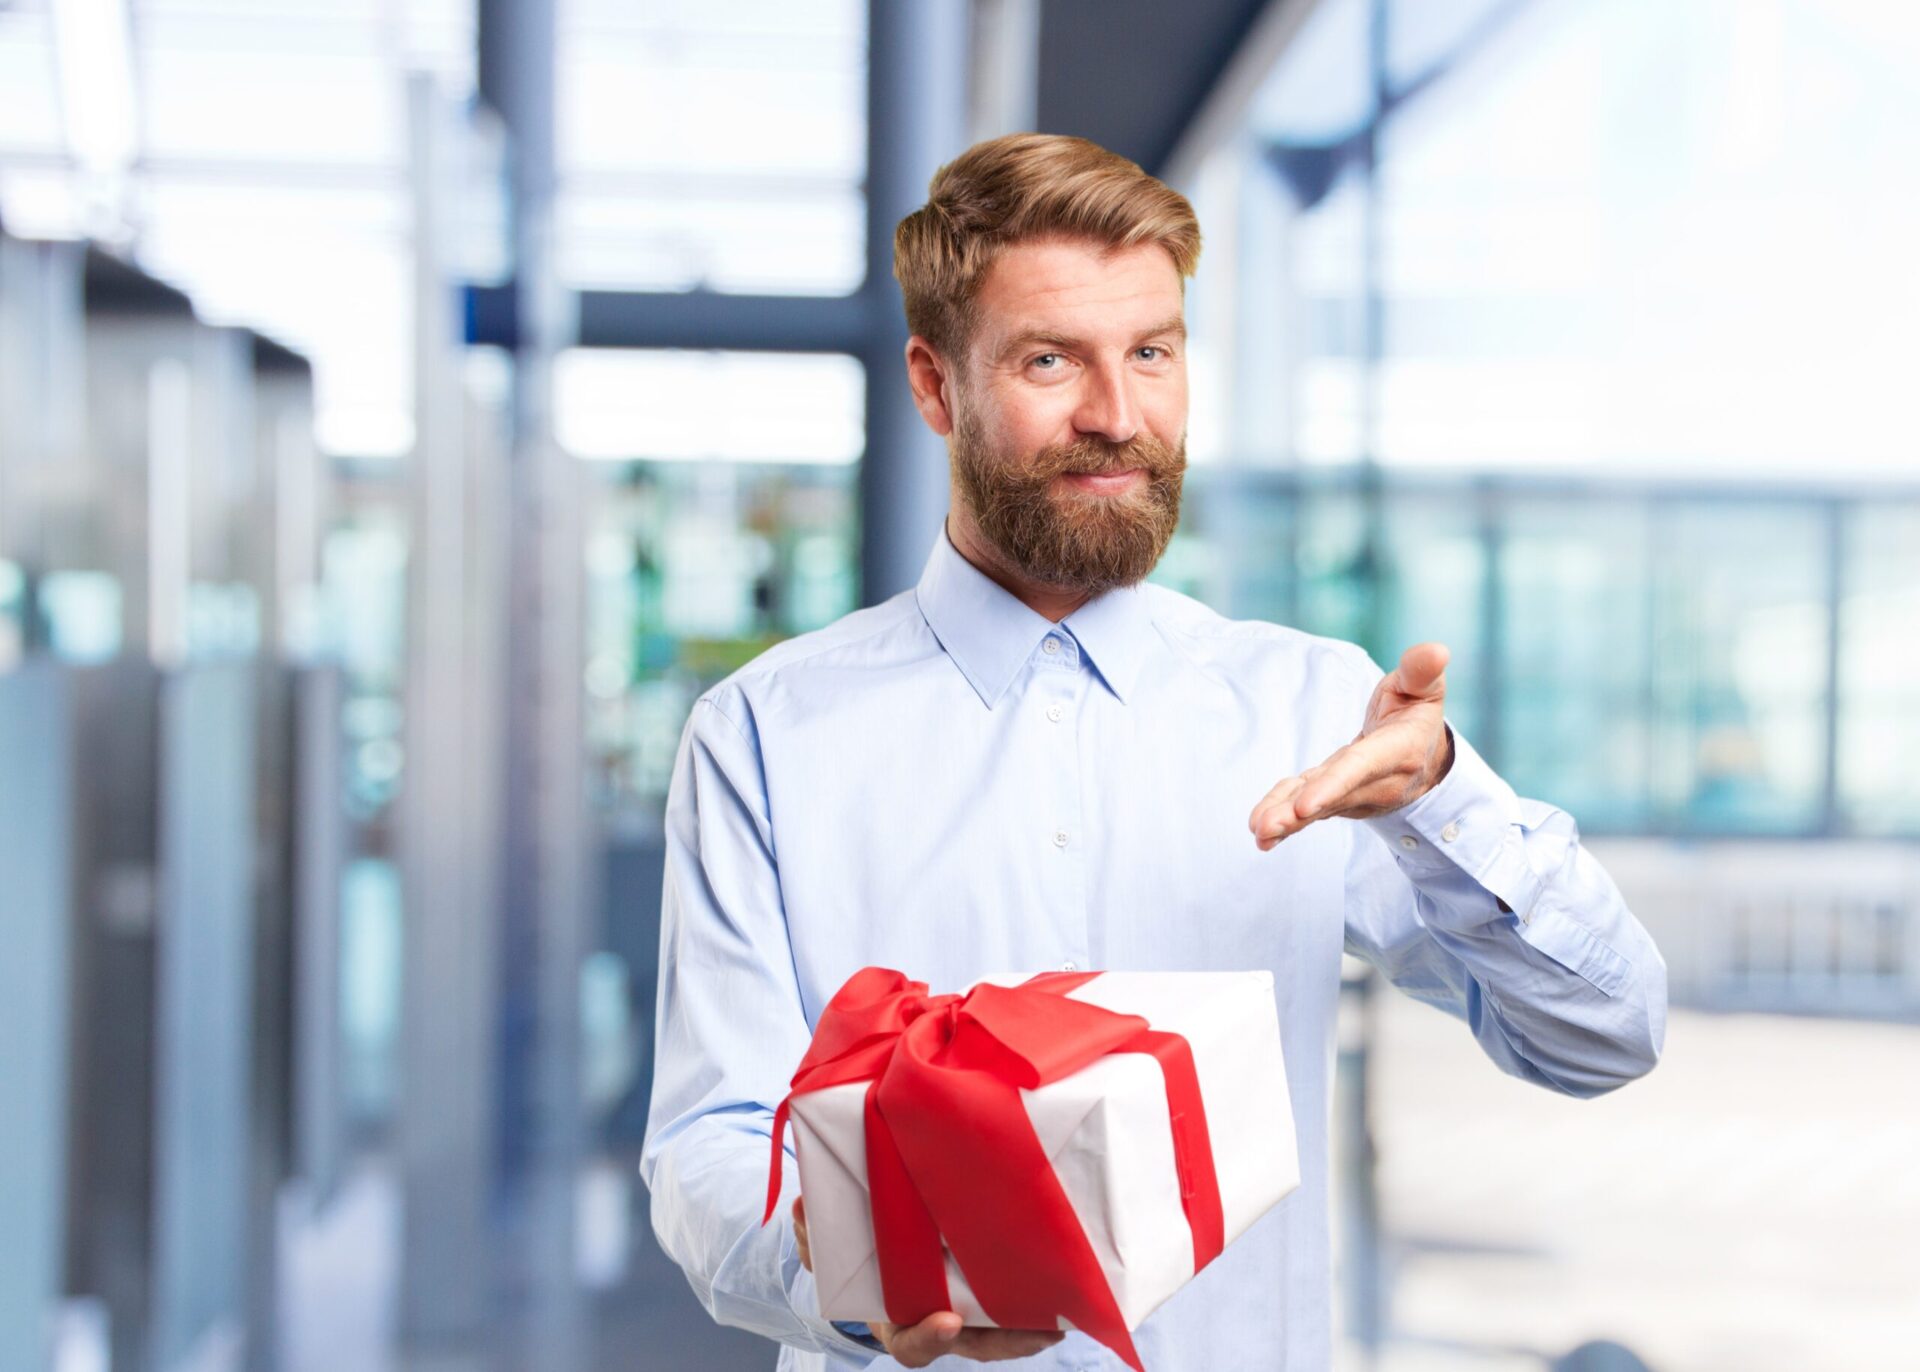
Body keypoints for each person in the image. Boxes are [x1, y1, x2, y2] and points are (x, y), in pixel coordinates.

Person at [641, 133, 1666, 1371]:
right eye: (1049, 360)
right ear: (933, 383)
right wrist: (847, 1266)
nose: (1116, 416)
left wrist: (1444, 803)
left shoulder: (1317, 708)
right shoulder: (767, 733)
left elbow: (1605, 1035)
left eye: (1151, 353)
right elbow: (712, 1136)